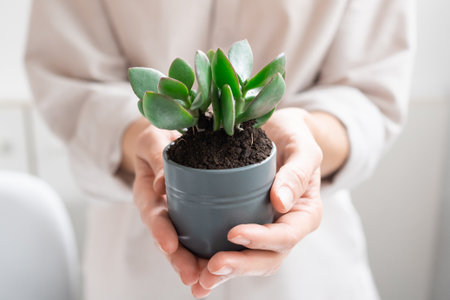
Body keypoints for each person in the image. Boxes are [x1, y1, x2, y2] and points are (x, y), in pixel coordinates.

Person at [25, 0, 415, 299]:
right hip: (140, 264)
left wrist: (307, 135)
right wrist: (139, 138)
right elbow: (69, 83)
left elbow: (370, 92)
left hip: (310, 269)